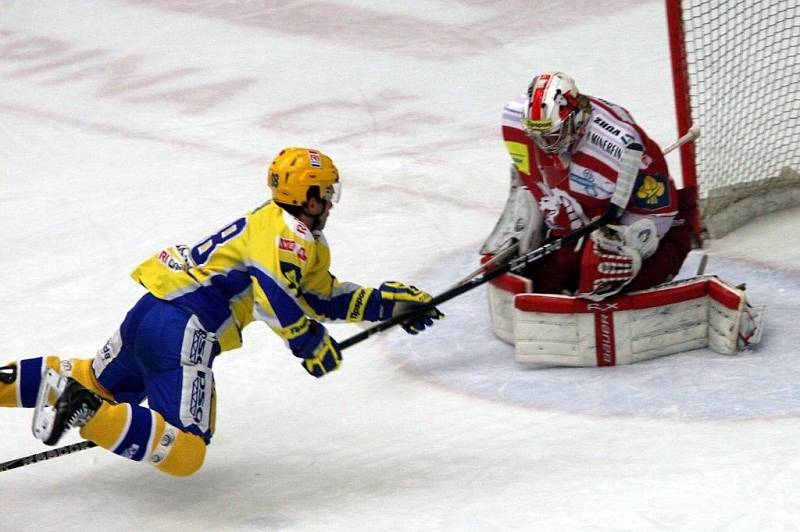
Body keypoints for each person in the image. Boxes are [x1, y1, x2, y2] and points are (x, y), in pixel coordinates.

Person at [0, 147, 443, 476]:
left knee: (96, 380)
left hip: (152, 309)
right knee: (186, 451)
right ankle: (87, 412)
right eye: (325, 192)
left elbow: (320, 297)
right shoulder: (291, 237)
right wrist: (307, 341)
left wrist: (387, 304)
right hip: (184, 330)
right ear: (308, 196)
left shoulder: (282, 227)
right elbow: (271, 292)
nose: (330, 201)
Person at [482, 71, 695, 300]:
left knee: (597, 271)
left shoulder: (620, 147)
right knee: (541, 282)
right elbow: (529, 178)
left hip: (648, 223)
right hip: (584, 220)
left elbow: (661, 213)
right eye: (537, 135)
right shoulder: (514, 121)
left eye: (551, 135)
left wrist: (627, 248)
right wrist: (528, 212)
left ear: (575, 119)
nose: (543, 144)